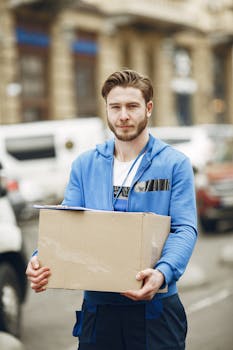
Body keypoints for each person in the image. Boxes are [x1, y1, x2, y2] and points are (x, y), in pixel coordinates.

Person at [26, 69, 198, 350]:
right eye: (115, 107)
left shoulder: (174, 164)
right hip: (99, 309)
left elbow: (184, 228)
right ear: (106, 109)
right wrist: (40, 259)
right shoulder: (85, 165)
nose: (123, 115)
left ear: (149, 108)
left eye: (132, 106)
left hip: (156, 309)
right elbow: (68, 224)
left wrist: (163, 272)